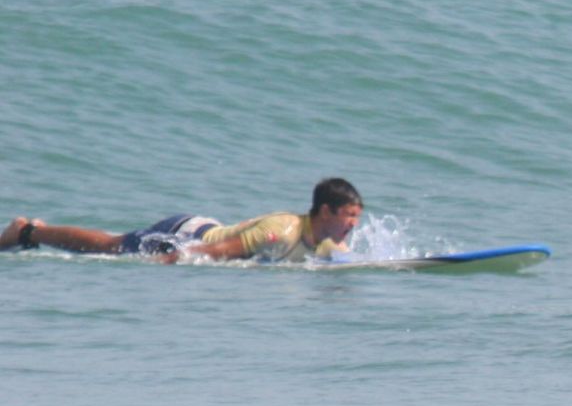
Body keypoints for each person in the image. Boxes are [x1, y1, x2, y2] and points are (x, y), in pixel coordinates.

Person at [3, 178, 365, 264]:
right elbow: (216, 250)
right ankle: (28, 230)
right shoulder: (278, 231)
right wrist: (164, 261)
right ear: (325, 212)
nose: (353, 224)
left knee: (111, 243)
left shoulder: (327, 239)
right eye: (348, 216)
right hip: (184, 234)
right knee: (109, 247)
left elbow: (339, 259)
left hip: (207, 229)